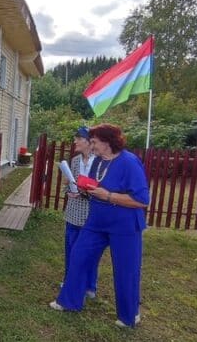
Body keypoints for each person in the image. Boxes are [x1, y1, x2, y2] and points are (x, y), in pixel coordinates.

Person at [50, 123, 149, 328]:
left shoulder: (129, 162)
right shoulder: (98, 161)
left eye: (94, 142)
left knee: (126, 270)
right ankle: (69, 301)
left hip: (124, 226)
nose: (91, 145)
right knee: (78, 256)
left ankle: (129, 316)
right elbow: (95, 188)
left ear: (107, 142)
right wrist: (82, 191)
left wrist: (109, 196)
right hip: (96, 222)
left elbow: (141, 200)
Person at [62, 126, 97, 298]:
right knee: (71, 248)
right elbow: (69, 183)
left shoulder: (99, 162)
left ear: (89, 142)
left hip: (91, 214)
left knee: (89, 251)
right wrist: (68, 191)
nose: (75, 141)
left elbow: (102, 188)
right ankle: (70, 281)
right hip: (73, 213)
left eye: (78, 138)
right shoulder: (75, 161)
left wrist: (84, 192)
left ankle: (90, 285)